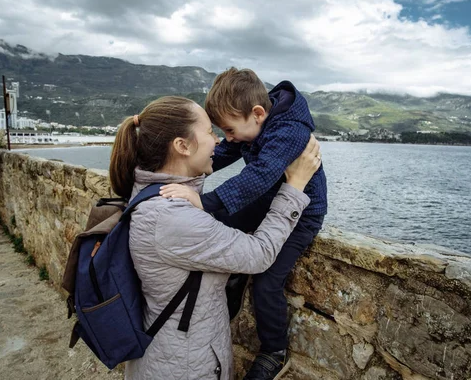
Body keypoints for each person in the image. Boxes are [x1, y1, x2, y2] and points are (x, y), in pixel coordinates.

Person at [108, 96, 321, 380]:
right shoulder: (172, 216)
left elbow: (239, 168)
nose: (220, 140)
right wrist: (295, 185)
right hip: (186, 365)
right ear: (182, 146)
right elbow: (257, 254)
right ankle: (275, 351)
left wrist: (203, 198)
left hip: (175, 351)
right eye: (211, 131)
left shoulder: (151, 189)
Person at [159, 68, 327, 380]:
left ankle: (274, 351)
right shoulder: (251, 120)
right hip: (269, 201)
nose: (229, 137)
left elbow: (261, 173)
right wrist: (178, 171)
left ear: (258, 113)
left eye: (230, 129)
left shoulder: (288, 130)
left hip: (300, 212)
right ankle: (233, 276)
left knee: (267, 282)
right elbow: (223, 152)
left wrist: (204, 201)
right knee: (216, 223)